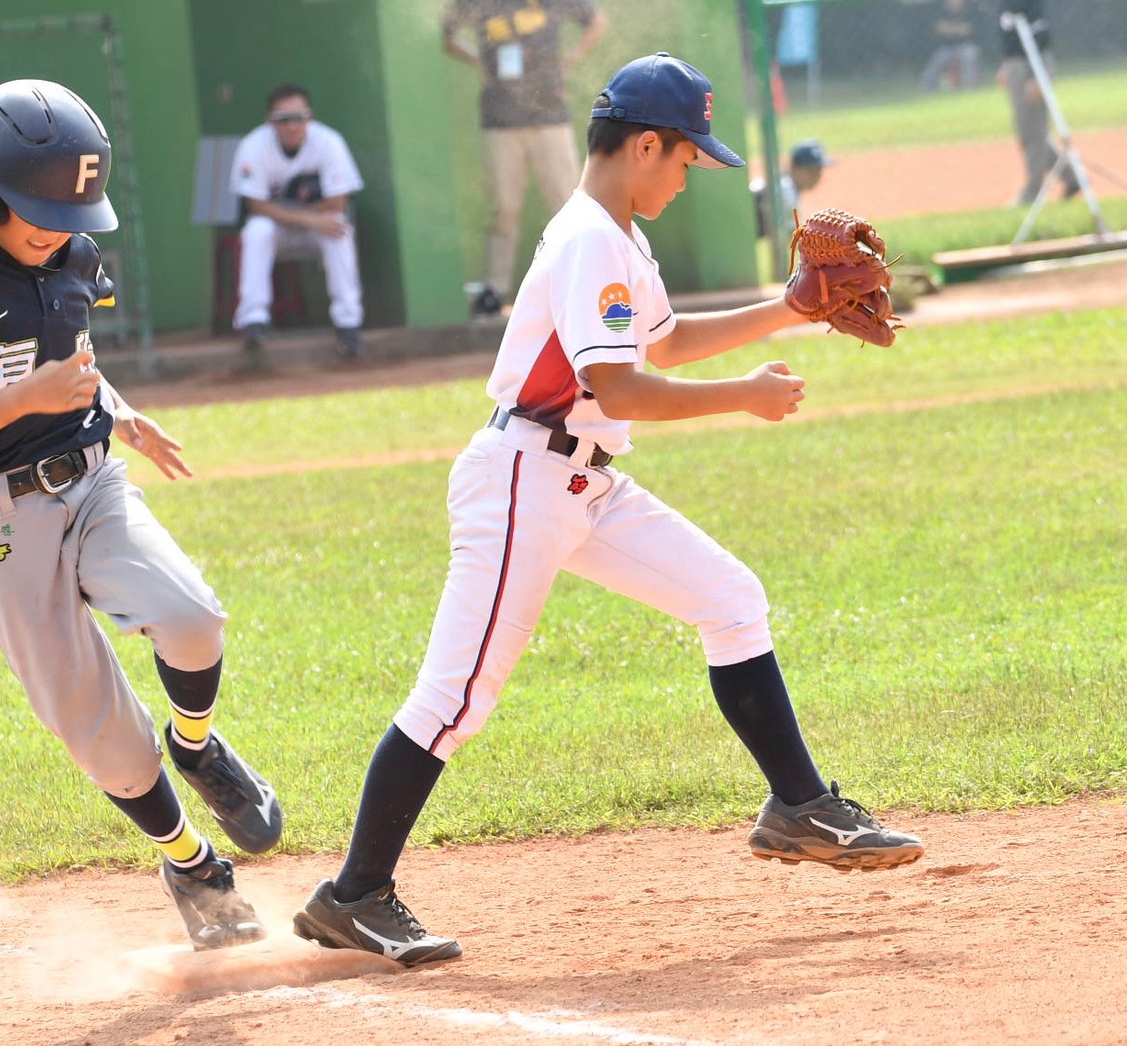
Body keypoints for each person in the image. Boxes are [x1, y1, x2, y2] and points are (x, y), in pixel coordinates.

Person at [291, 52, 925, 967]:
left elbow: (663, 342)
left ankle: (799, 807)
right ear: (645, 145)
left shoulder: (617, 236)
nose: (687, 175)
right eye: (685, 157)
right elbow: (619, 387)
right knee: (456, 698)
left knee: (731, 599)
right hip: (524, 480)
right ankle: (353, 896)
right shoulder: (591, 239)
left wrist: (789, 309)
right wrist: (743, 397)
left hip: (582, 483)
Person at [0, 79, 282, 950]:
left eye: (71, 210)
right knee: (100, 734)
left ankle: (197, 747)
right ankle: (190, 863)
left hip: (93, 482)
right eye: (38, 210)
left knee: (192, 616)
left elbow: (69, 357)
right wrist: (26, 400)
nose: (57, 227)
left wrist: (119, 412)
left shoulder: (75, 260)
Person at [442, 0, 609, 318]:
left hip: (550, 116)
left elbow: (596, 21)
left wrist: (568, 61)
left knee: (570, 204)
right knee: (503, 208)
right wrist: (479, 61)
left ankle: (584, 281)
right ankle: (494, 290)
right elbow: (447, 36)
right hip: (500, 120)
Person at [229, 83, 365, 364]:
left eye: (299, 117)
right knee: (256, 231)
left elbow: (337, 202)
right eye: (283, 119)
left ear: (309, 117)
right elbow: (255, 206)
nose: (292, 126)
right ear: (270, 121)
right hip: (278, 228)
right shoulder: (254, 145)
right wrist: (308, 217)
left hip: (313, 227)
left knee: (339, 228)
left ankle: (348, 323)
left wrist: (305, 218)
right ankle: (254, 321)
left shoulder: (329, 142)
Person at [997, 1, 1078, 205]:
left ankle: (1033, 190)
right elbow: (1009, 34)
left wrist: (1038, 76)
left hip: (1032, 62)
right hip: (1016, 63)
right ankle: (1071, 177)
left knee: (1033, 133)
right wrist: (1006, 64)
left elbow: (1040, 35)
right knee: (1029, 132)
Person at [750, 138, 834, 243]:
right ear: (794, 168)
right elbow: (795, 235)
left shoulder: (784, 184)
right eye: (811, 171)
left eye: (818, 171)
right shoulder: (785, 191)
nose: (817, 176)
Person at [919, 0, 981, 92]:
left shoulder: (970, 11)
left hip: (965, 45)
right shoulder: (940, 12)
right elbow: (939, 29)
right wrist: (957, 29)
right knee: (937, 60)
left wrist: (949, 28)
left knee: (970, 56)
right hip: (947, 47)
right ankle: (925, 87)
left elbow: (966, 30)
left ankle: (970, 86)